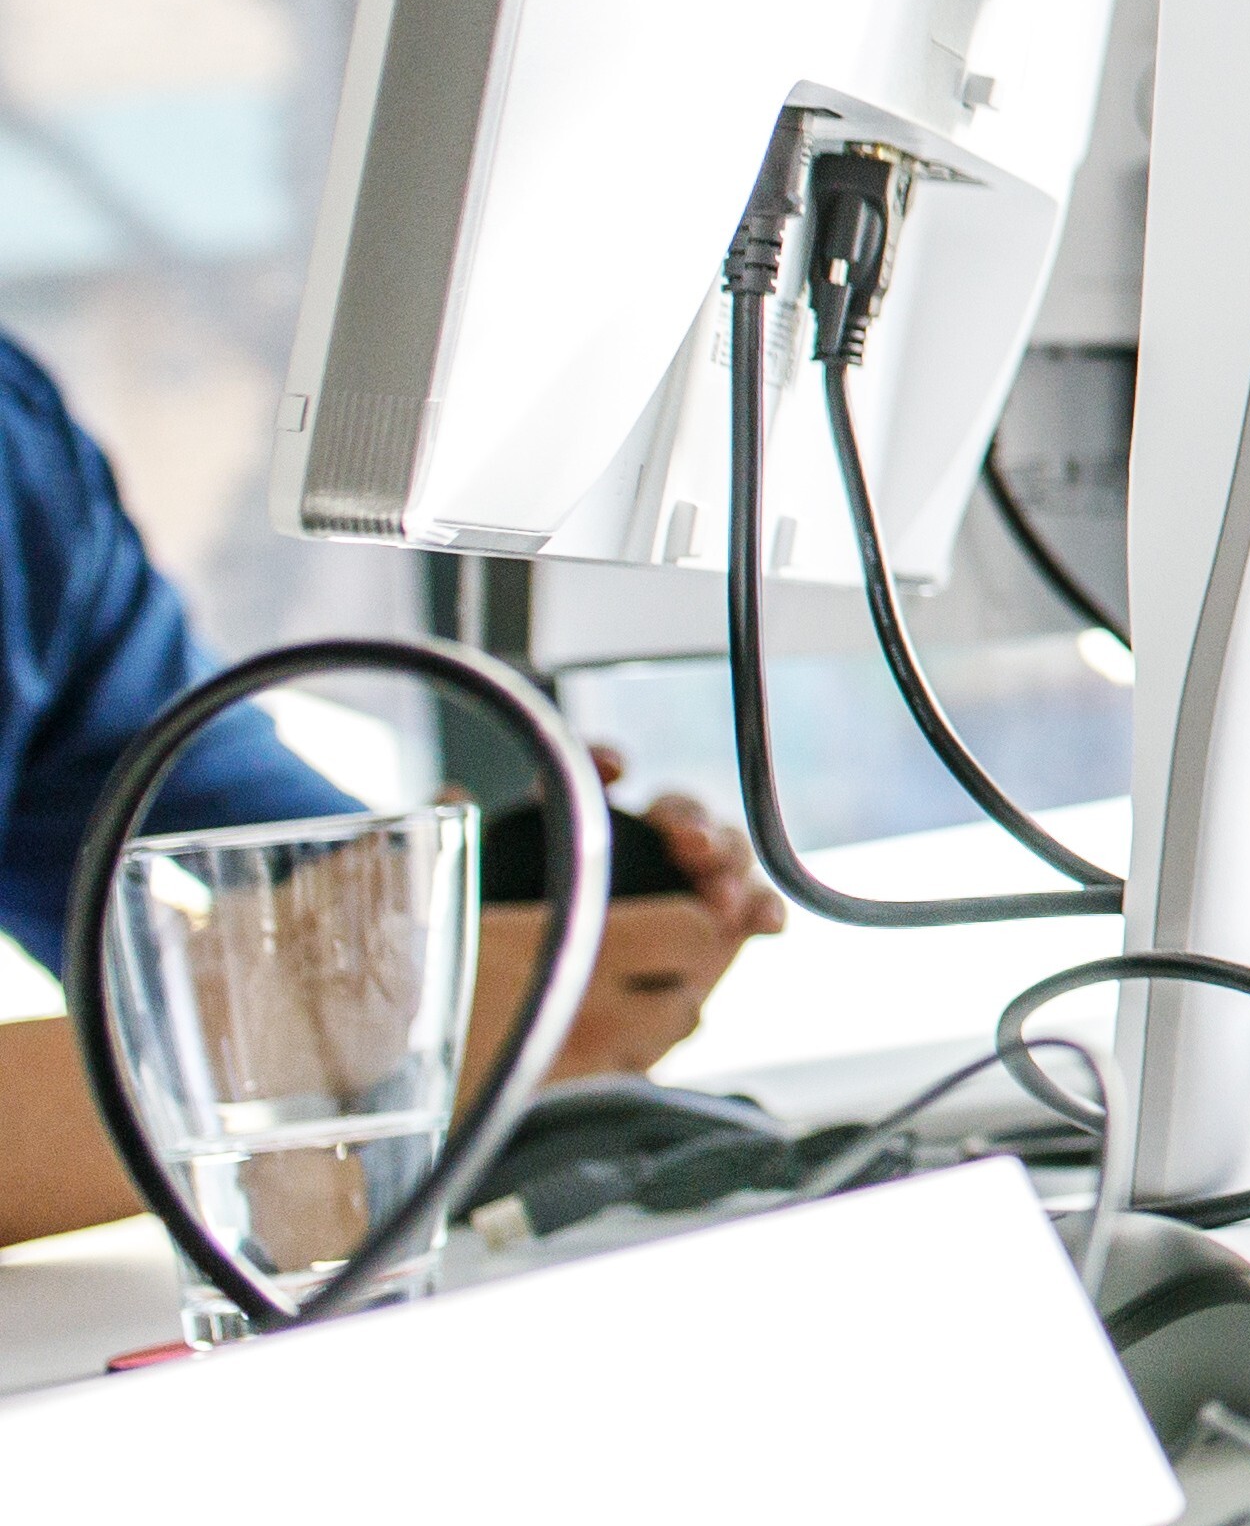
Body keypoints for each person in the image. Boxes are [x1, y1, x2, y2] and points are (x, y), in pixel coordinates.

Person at [0, 325, 780, 1245]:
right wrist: (293, 1029)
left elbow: (216, 817)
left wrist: (524, 911)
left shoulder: (19, 448)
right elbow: (331, 993)